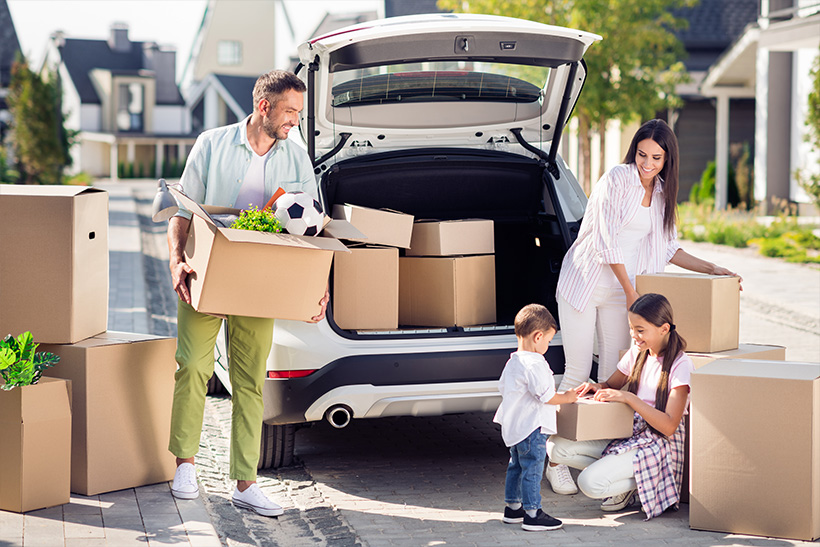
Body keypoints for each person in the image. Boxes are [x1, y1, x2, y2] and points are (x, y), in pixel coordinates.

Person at [546, 119, 739, 495]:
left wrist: (713, 267)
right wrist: (631, 291)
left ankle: (597, 449)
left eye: (656, 157)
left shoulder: (664, 193)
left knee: (614, 373)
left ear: (667, 160)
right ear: (633, 151)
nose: (647, 164)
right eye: (641, 154)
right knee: (577, 371)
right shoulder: (616, 179)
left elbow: (669, 248)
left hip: (624, 292)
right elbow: (605, 242)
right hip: (585, 283)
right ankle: (553, 460)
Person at [166, 70, 327, 517]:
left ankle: (245, 483)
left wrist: (319, 289)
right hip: (209, 272)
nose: (295, 120)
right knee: (193, 366)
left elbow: (314, 231)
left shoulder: (296, 160)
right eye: (290, 111)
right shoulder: (212, 143)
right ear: (264, 107)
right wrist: (178, 260)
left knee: (250, 380)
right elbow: (181, 211)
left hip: (260, 280)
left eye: (298, 112)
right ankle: (185, 465)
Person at [547, 293, 693, 519]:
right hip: (628, 433)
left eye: (640, 330)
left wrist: (630, 398)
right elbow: (611, 384)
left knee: (589, 483)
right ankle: (622, 478)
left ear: (664, 329)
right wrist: (595, 387)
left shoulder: (680, 365)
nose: (634, 336)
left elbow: (669, 426)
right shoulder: (638, 352)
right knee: (557, 448)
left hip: (658, 444)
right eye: (631, 328)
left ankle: (631, 486)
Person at [493, 304, 578, 532]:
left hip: (515, 427)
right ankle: (533, 513)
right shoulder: (535, 363)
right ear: (537, 336)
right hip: (533, 428)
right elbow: (547, 396)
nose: (548, 346)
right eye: (548, 341)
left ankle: (513, 508)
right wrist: (568, 397)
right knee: (532, 468)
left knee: (516, 466)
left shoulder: (513, 362)